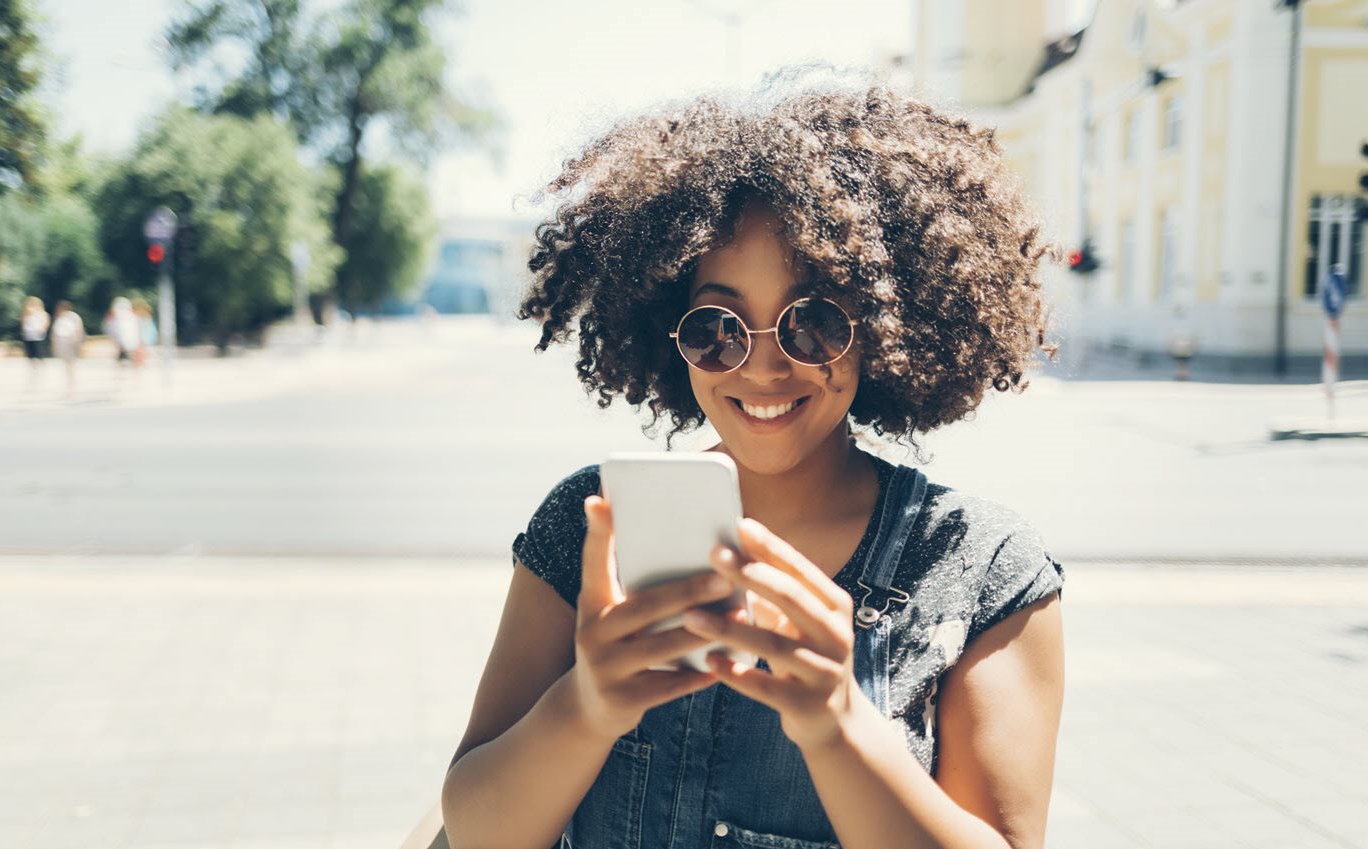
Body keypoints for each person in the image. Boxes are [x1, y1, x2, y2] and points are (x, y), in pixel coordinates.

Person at [441, 70, 1067, 849]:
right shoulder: (588, 527)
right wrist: (588, 706)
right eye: (718, 326)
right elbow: (471, 832)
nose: (764, 368)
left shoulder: (980, 566)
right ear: (671, 334)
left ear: (881, 324)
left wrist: (837, 723)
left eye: (813, 323)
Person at [48, 301, 86, 399]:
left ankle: (72, 384)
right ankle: (69, 383)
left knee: (70, 364)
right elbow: (55, 333)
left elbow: (78, 330)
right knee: (66, 364)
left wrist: (79, 343)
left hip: (70, 342)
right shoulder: (59, 318)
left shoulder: (73, 317)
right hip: (62, 343)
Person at [20, 295, 51, 380]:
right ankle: (33, 371)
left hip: (38, 337)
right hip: (28, 337)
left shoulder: (42, 314)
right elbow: (23, 323)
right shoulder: (26, 314)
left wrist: (41, 330)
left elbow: (46, 323)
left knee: (39, 354)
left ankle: (42, 370)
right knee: (31, 355)